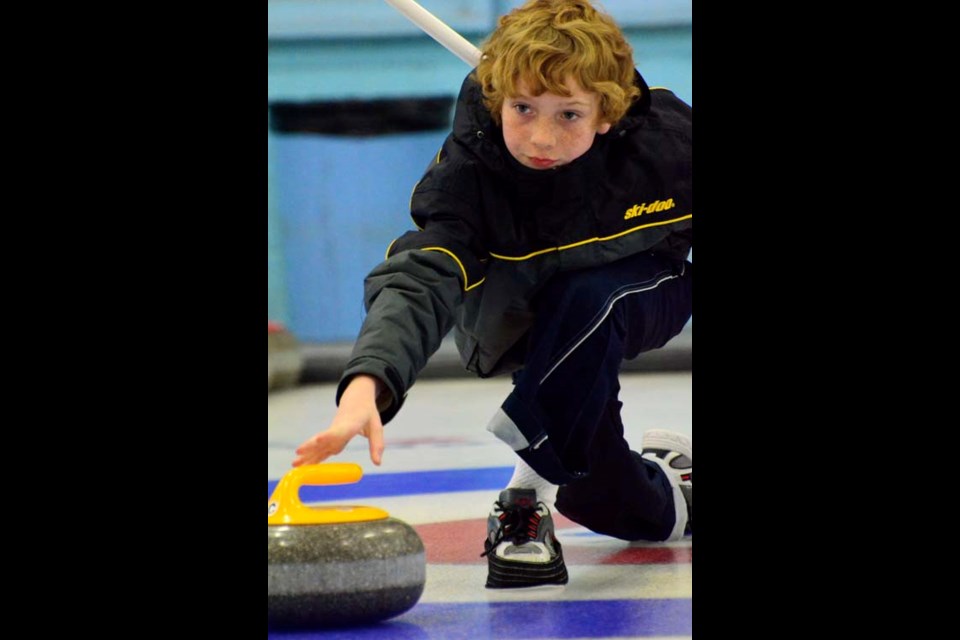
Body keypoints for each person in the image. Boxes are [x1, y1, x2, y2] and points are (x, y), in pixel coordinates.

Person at [293, 0, 692, 589]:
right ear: (498, 97)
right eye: (522, 107)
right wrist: (368, 383)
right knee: (609, 498)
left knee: (588, 299)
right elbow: (418, 278)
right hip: (522, 320)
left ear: (607, 114)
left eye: (568, 115)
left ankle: (522, 501)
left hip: (644, 287)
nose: (539, 136)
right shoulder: (469, 177)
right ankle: (669, 488)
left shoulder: (666, 148)